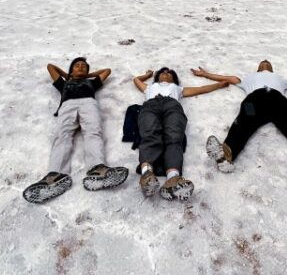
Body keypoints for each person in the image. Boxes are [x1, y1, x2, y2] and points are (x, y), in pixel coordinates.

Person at [23, 57, 129, 203]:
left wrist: (87, 75)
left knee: (93, 132)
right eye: (77, 66)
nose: (80, 67)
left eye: (84, 67)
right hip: (67, 105)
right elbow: (50, 67)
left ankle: (98, 169)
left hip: (88, 103)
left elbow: (107, 71)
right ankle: (56, 175)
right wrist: (68, 76)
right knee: (62, 136)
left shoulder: (92, 82)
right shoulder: (64, 83)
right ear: (71, 70)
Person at [132, 67, 229, 200]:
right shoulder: (150, 87)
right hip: (151, 105)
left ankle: (173, 179)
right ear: (157, 76)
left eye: (169, 73)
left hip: (172, 106)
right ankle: (147, 175)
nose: (166, 73)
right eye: (163, 72)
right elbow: (136, 80)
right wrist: (146, 74)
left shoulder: (178, 89)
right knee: (149, 134)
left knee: (174, 137)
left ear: (174, 78)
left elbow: (201, 88)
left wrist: (219, 84)